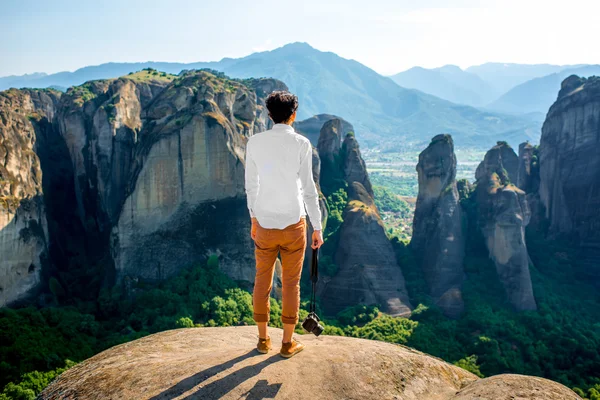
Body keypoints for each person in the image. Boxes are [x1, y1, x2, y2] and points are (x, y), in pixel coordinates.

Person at [244, 90, 324, 359]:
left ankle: (263, 340)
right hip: (294, 223)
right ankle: (287, 344)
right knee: (291, 284)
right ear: (294, 114)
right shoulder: (302, 144)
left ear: (269, 115)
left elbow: (250, 186)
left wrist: (254, 218)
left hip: (264, 222)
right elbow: (309, 189)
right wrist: (317, 227)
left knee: (261, 281)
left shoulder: (254, 142)